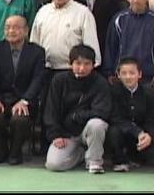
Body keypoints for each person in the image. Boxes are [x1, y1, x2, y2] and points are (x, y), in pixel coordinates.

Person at [30, 0, 99, 152]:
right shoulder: (43, 12)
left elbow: (90, 45)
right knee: (48, 108)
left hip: (72, 72)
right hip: (47, 70)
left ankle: (74, 148)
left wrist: (87, 68)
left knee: (68, 111)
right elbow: (34, 43)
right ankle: (47, 147)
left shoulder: (83, 13)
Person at [0, 15, 45, 165]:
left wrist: (25, 100)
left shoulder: (37, 52)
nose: (11, 31)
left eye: (16, 27)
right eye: (7, 27)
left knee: (19, 118)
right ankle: (1, 150)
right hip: (2, 98)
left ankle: (15, 151)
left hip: (25, 100)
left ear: (26, 31)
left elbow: (38, 79)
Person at [44, 45, 110, 174]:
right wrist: (56, 134)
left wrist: (78, 116)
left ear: (93, 65)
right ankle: (80, 155)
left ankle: (94, 161)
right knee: (54, 164)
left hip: (89, 132)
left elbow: (102, 111)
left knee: (97, 124)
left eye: (87, 64)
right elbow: (51, 109)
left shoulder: (100, 82)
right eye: (78, 63)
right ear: (70, 63)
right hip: (66, 134)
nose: (82, 68)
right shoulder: (59, 80)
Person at [103, 0, 154, 90]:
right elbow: (111, 47)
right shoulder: (118, 19)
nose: (136, 0)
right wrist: (109, 72)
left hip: (148, 77)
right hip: (123, 76)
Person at [107, 57, 154, 172]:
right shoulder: (113, 92)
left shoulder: (148, 93)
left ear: (139, 74)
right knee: (113, 132)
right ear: (118, 75)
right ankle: (119, 161)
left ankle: (135, 158)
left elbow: (152, 119)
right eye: (124, 73)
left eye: (132, 73)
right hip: (123, 131)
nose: (128, 77)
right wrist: (137, 132)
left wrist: (149, 135)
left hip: (141, 134)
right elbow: (115, 118)